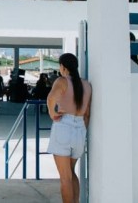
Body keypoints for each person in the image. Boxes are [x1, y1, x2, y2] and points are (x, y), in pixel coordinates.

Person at [47, 53, 92, 203]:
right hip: (80, 130)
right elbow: (87, 114)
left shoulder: (61, 81)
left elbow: (51, 98)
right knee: (72, 173)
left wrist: (52, 113)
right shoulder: (86, 85)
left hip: (64, 128)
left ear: (63, 67)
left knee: (65, 177)